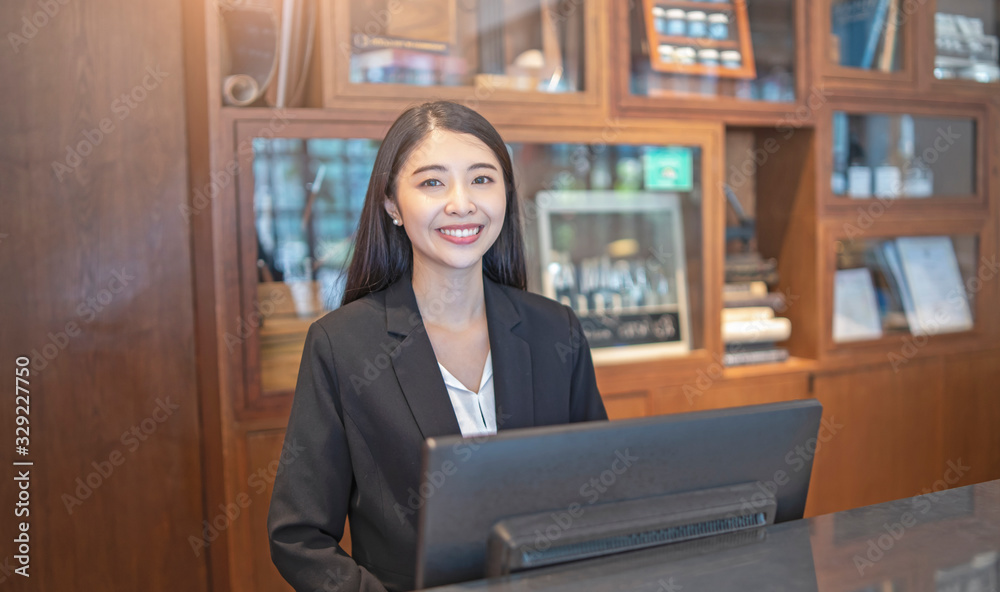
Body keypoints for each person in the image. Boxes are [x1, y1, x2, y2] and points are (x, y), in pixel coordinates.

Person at [267, 101, 607, 592]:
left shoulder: (557, 331)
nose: (462, 203)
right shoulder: (341, 345)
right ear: (391, 204)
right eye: (432, 182)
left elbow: (600, 494)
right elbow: (298, 536)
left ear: (506, 194)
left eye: (482, 179)